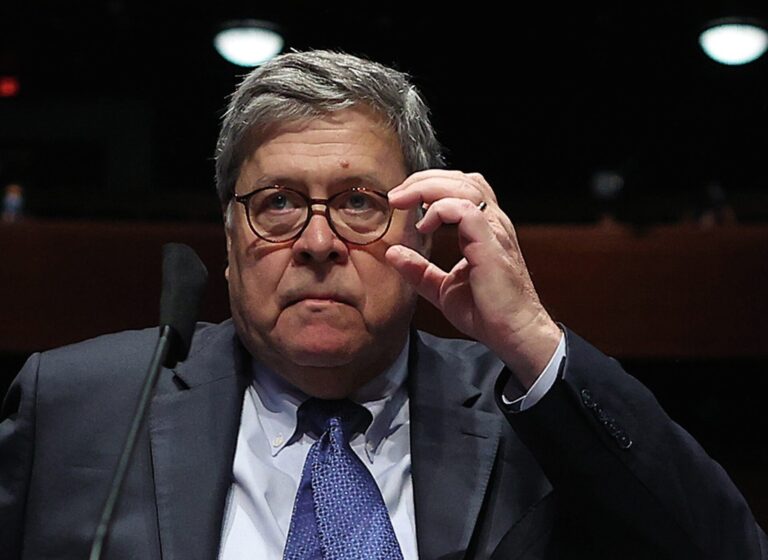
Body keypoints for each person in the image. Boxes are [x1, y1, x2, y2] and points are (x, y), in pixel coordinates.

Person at [0, 50, 765, 560]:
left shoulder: (531, 418)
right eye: (277, 203)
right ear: (229, 242)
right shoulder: (81, 407)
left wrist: (530, 335)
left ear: (425, 229)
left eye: (359, 202)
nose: (318, 242)